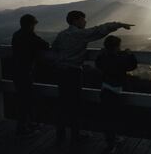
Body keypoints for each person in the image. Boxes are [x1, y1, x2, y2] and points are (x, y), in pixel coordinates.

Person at [51, 10, 134, 144]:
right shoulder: (80, 34)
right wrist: (119, 24)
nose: (85, 22)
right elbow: (99, 30)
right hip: (73, 73)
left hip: (60, 73)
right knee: (74, 105)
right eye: (83, 19)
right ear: (76, 20)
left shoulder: (61, 35)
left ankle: (60, 136)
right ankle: (75, 137)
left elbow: (54, 49)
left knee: (63, 104)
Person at [96, 35, 137, 153]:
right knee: (114, 117)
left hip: (105, 89)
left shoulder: (103, 57)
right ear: (116, 47)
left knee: (108, 117)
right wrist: (130, 54)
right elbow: (132, 66)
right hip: (116, 90)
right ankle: (112, 143)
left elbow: (99, 63)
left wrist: (102, 53)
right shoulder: (120, 59)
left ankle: (111, 140)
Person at [12, 14, 49, 135]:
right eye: (34, 24)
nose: (35, 26)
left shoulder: (16, 35)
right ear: (30, 25)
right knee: (26, 100)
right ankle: (23, 128)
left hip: (17, 72)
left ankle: (26, 125)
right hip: (25, 72)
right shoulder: (29, 36)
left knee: (22, 99)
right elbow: (45, 45)